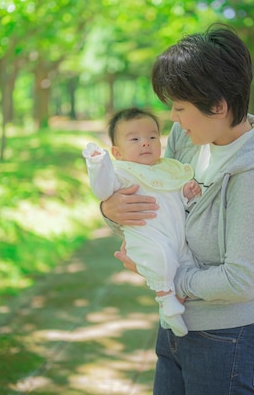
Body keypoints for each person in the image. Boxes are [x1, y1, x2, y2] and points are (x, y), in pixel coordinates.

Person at [100, 24, 254, 395]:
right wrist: (111, 209)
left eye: (179, 107)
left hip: (228, 339)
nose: (172, 119)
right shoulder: (186, 141)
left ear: (218, 106)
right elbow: (154, 206)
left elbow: (240, 280)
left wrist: (169, 281)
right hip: (175, 327)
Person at [82, 107, 201, 337]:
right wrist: (98, 165)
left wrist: (187, 192)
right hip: (148, 235)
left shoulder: (167, 169)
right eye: (135, 139)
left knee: (186, 261)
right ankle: (166, 299)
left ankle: (176, 300)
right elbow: (103, 190)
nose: (145, 143)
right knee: (161, 258)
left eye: (152, 137)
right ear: (117, 152)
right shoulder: (122, 172)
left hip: (177, 235)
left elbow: (177, 199)